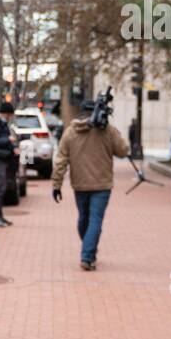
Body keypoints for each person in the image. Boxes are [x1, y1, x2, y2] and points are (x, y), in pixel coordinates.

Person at [51, 100, 130, 270]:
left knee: (84, 219)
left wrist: (56, 185)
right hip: (102, 184)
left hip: (80, 184)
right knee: (95, 220)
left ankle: (88, 251)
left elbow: (61, 160)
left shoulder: (71, 132)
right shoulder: (107, 131)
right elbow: (123, 151)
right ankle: (87, 255)